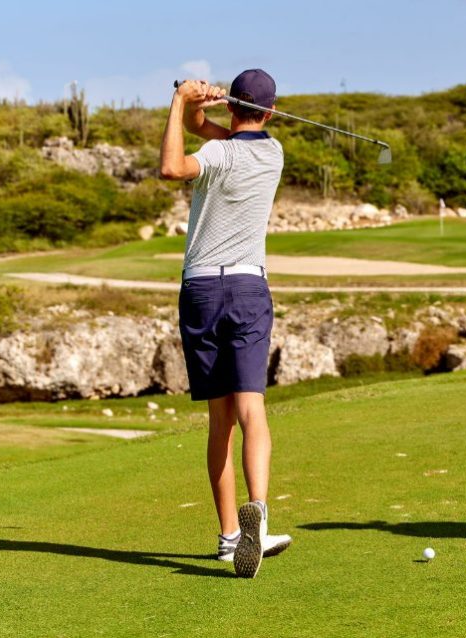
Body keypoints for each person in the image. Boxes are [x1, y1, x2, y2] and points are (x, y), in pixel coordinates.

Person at [160, 69, 291, 578]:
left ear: (232, 106)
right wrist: (199, 109)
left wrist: (181, 103)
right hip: (247, 289)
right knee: (252, 408)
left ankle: (228, 537)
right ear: (272, 112)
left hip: (200, 291)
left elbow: (174, 165)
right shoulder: (272, 154)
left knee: (221, 423)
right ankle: (257, 509)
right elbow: (207, 131)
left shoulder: (218, 155)